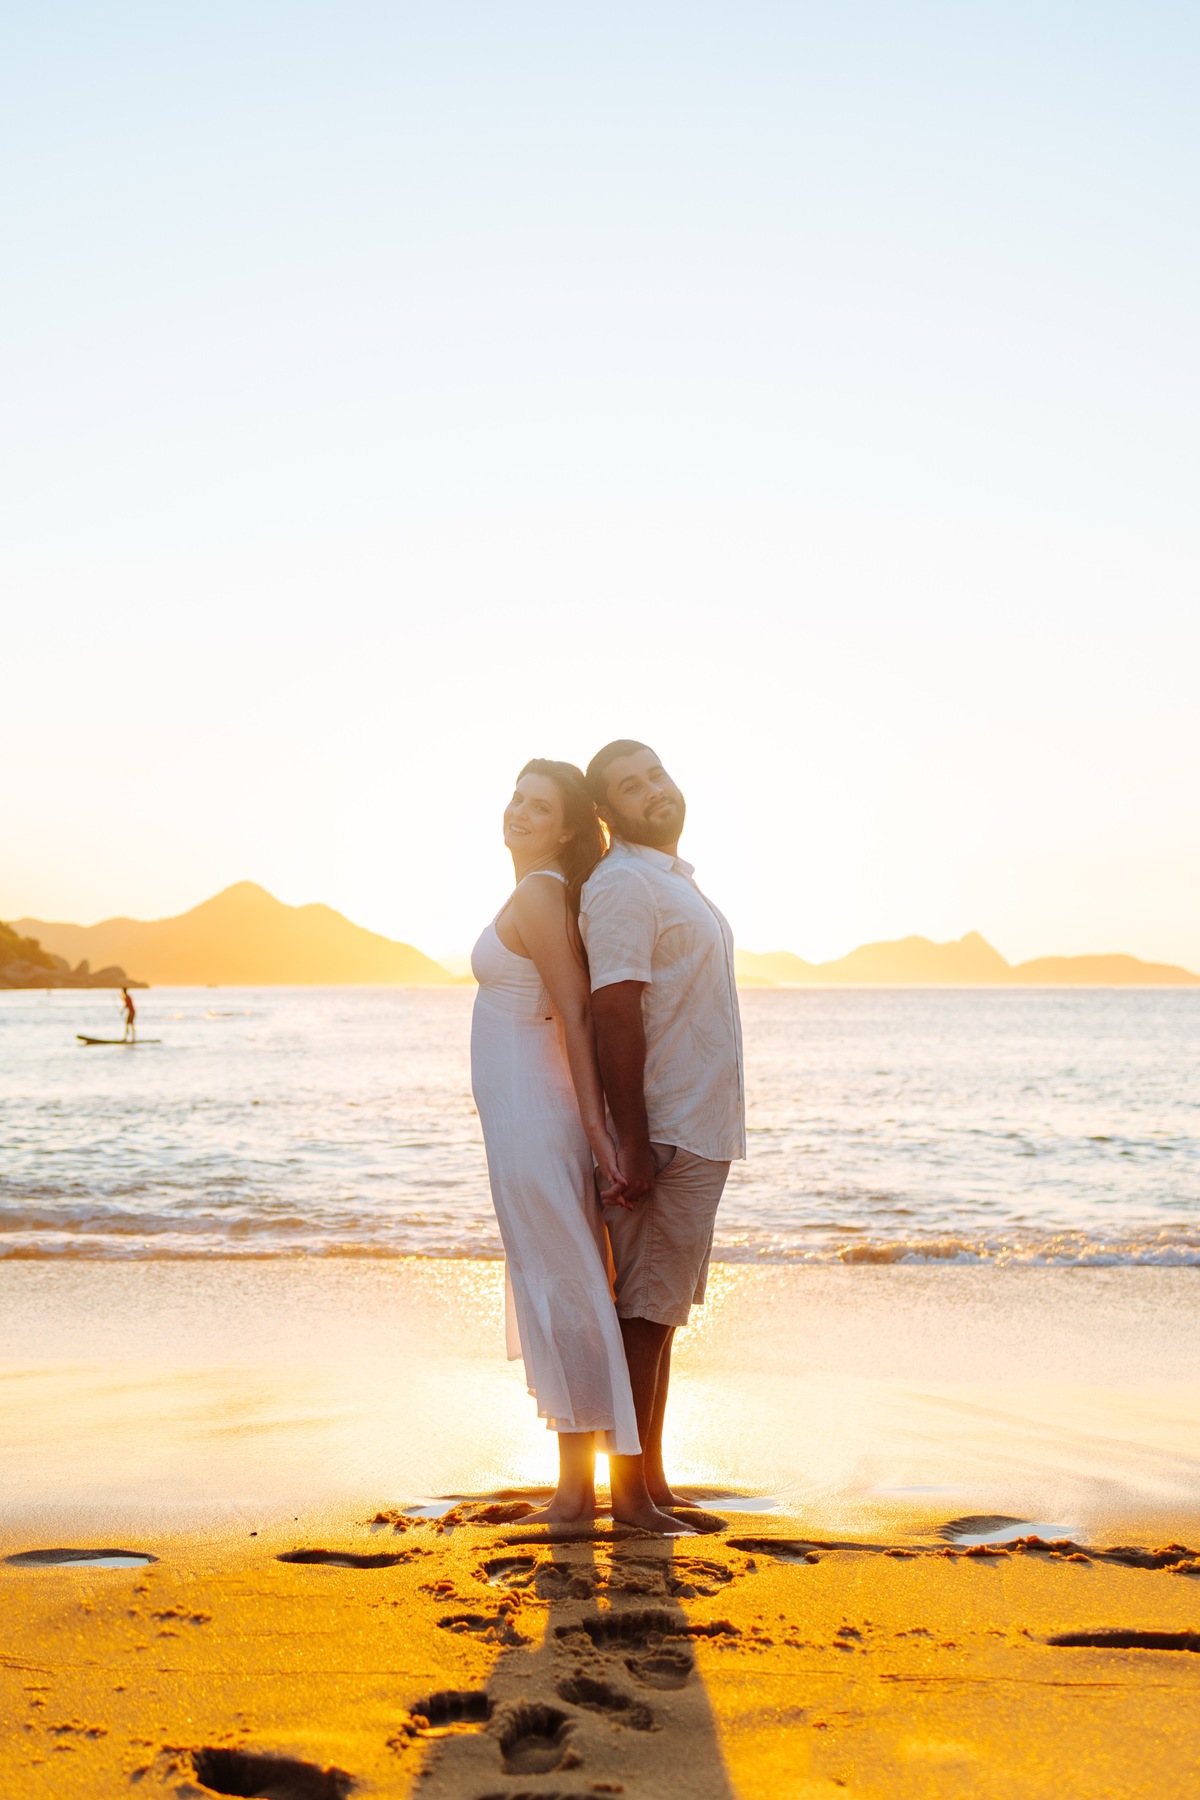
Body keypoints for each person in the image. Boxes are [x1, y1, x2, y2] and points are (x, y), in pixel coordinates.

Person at [470, 758, 684, 1533]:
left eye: (539, 806)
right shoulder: (539, 892)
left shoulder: (540, 892)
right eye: (516, 798)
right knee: (560, 1286)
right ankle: (582, 1490)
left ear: (567, 828)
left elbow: (577, 1013)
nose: (519, 812)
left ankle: (579, 1498)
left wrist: (600, 1136)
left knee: (568, 1291)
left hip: (538, 1121)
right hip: (520, 1121)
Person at [581, 740, 745, 1511]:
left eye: (657, 775)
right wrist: (635, 1141)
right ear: (607, 812)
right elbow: (614, 1011)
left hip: (696, 1127)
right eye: (631, 787)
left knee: (661, 1313)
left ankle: (651, 1484)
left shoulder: (670, 879)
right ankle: (629, 1498)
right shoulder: (623, 884)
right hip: (665, 1130)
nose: (654, 791)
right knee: (641, 1316)